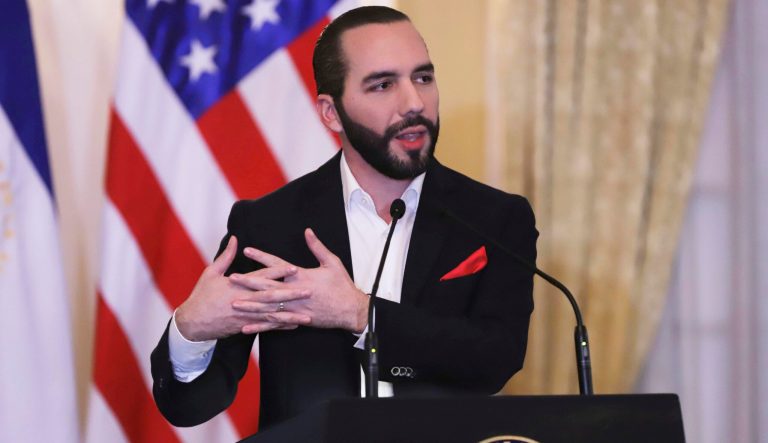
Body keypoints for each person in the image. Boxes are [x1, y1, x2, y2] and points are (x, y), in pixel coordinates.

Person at [150, 5, 537, 431]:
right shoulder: (269, 225)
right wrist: (191, 331)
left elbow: (496, 359)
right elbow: (192, 407)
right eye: (383, 85)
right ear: (331, 113)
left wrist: (360, 314)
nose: (414, 103)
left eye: (423, 78)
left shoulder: (493, 219)